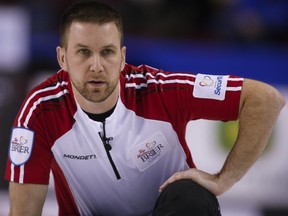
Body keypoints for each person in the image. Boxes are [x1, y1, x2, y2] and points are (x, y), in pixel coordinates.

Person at [5, 1, 285, 216]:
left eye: (107, 52)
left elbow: (266, 99)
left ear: (123, 56)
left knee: (192, 197)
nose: (96, 66)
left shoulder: (160, 89)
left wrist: (224, 179)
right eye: (83, 52)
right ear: (62, 58)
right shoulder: (40, 109)